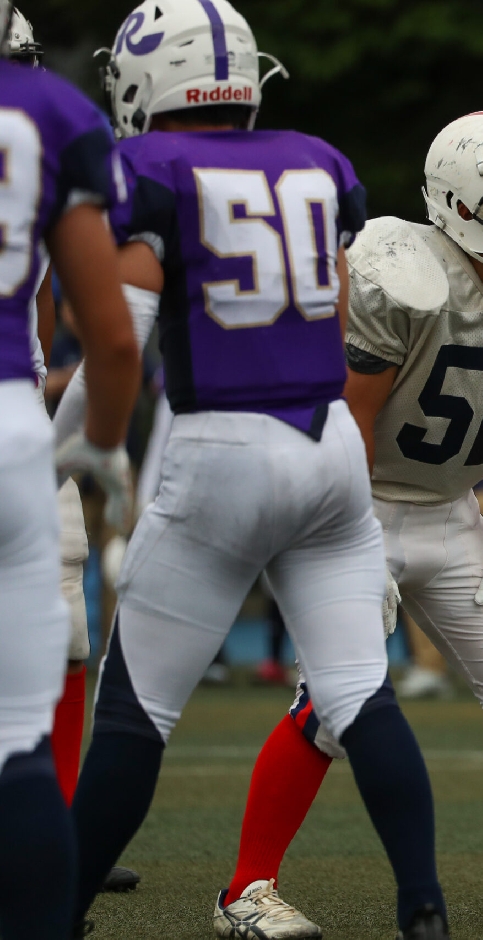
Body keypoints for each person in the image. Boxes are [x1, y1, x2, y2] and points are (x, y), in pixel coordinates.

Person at [65, 3, 449, 937]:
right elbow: (339, 304)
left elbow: (125, 336)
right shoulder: (320, 161)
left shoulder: (145, 169)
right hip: (328, 450)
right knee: (361, 692)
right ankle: (423, 909)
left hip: (220, 450)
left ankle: (49, 912)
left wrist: (68, 451)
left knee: (135, 713)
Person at [215, 110, 483, 935]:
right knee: (336, 700)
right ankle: (246, 889)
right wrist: (337, 536)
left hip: (452, 511)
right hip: (357, 501)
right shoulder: (398, 273)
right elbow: (350, 415)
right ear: (466, 204)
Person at [0, 7, 140, 935]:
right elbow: (114, 331)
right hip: (12, 425)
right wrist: (103, 437)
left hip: (23, 408)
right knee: (20, 722)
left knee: (69, 647)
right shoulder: (49, 114)